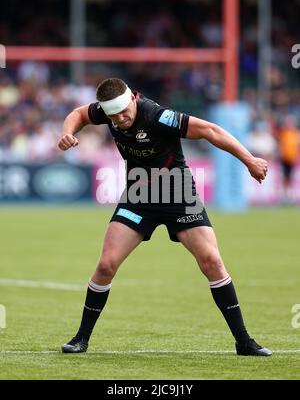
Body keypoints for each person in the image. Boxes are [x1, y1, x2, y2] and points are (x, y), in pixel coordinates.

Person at [58, 78, 272, 356]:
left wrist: (249, 160)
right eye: (114, 116)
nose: (121, 119)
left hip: (178, 193)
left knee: (212, 261)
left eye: (125, 111)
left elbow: (209, 129)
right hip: (139, 194)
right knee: (106, 264)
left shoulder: (158, 116)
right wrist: (66, 132)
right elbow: (78, 114)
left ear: (133, 99)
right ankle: (81, 338)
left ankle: (243, 341)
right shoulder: (107, 112)